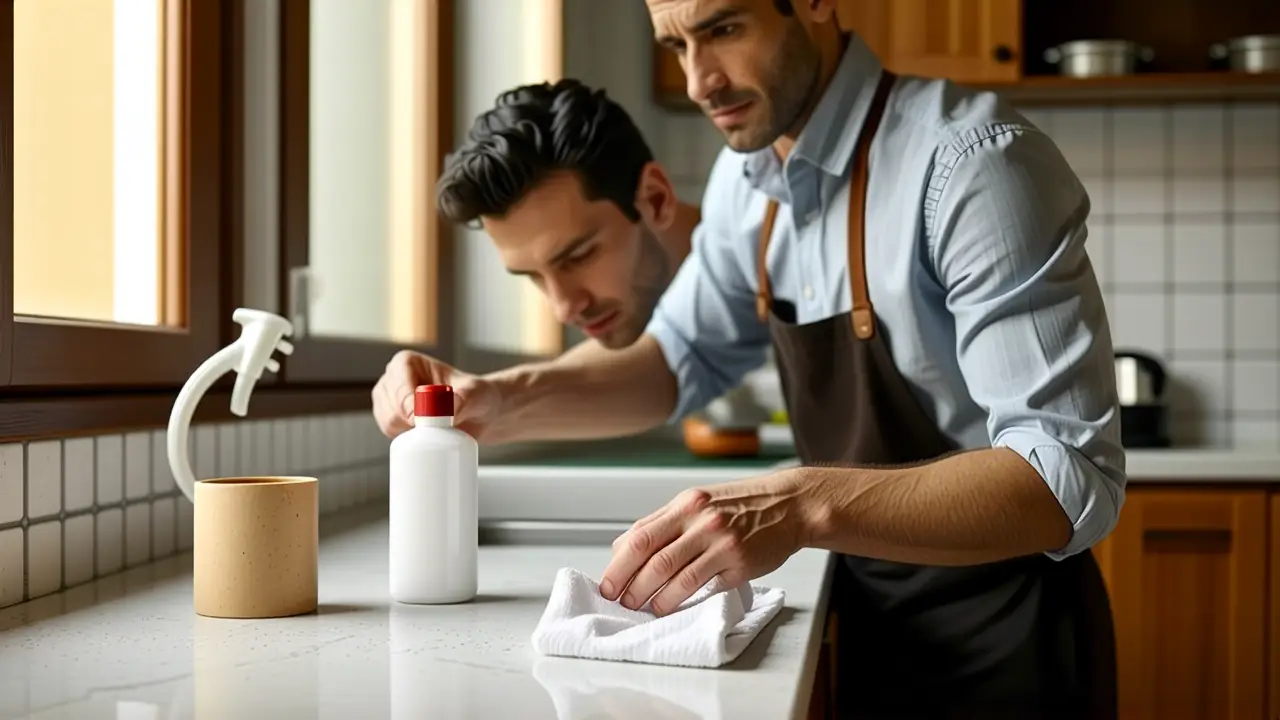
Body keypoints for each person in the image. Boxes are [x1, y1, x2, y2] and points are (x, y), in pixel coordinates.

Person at [374, 1, 1123, 715]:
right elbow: (672, 361)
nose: (701, 80)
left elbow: (1064, 477)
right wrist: (496, 399)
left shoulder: (970, 168)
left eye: (723, 28)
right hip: (869, 618)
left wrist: (797, 504)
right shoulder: (748, 182)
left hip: (1006, 642)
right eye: (677, 46)